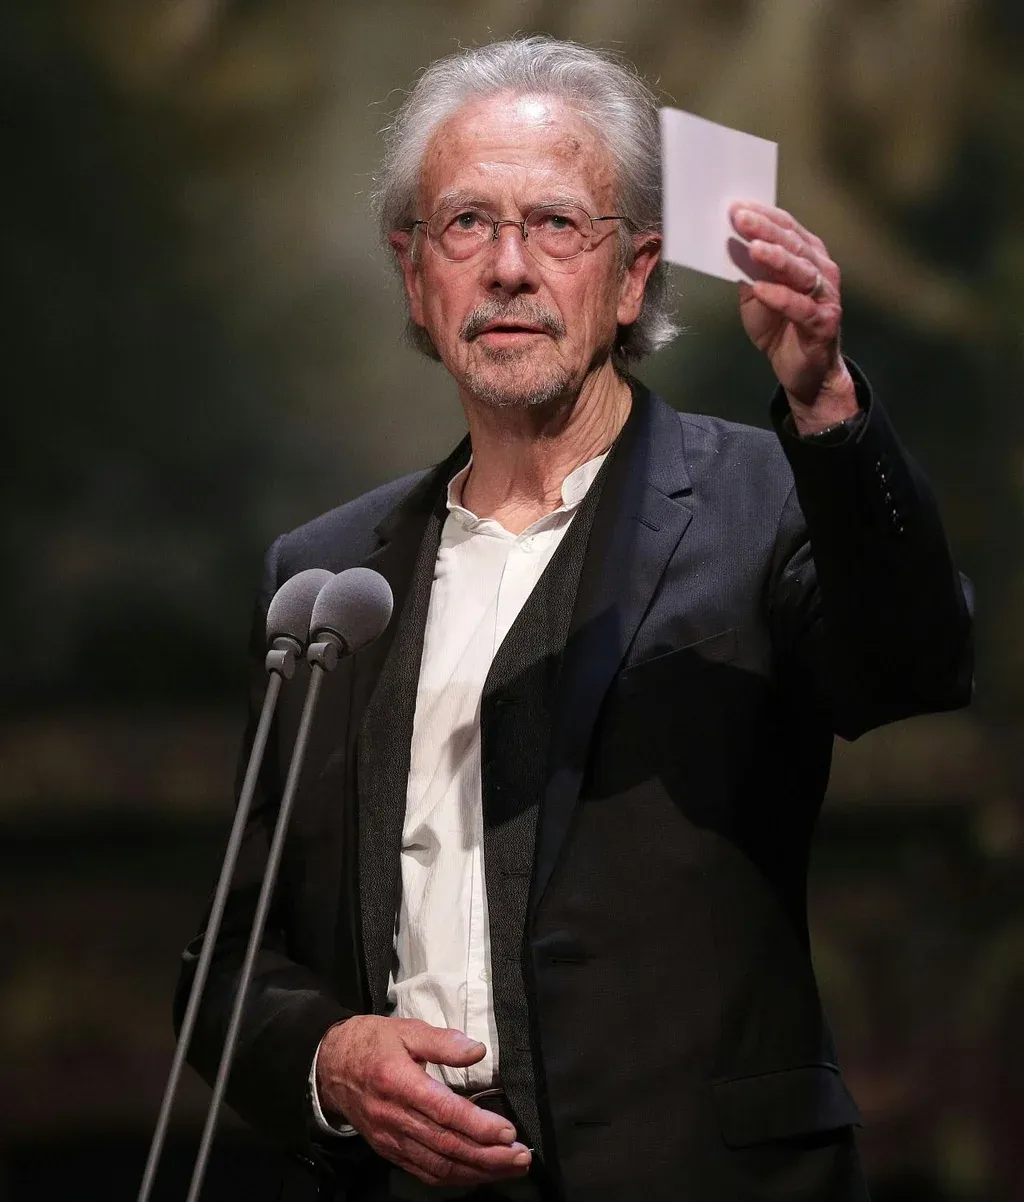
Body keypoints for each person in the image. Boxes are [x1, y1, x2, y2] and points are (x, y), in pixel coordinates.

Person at [176, 36, 973, 1202]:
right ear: (414, 271)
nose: (508, 267)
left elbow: (911, 662)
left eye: (555, 224)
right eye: (466, 224)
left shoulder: (764, 499)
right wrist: (327, 1057)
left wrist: (824, 404)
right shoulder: (328, 578)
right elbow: (230, 959)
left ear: (634, 273)